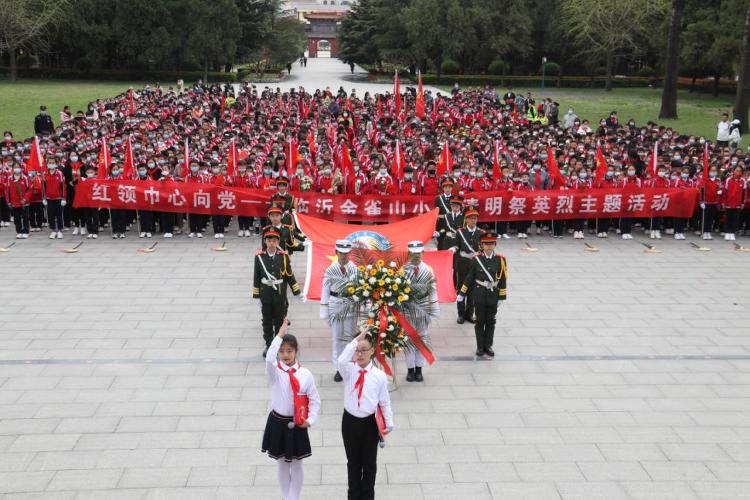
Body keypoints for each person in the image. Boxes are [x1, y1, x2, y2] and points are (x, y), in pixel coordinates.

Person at [262, 318, 321, 500]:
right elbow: (269, 357)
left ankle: (294, 497)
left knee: (297, 463)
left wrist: (310, 420)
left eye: (289, 351)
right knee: (281, 464)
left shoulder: (305, 374)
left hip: (297, 423)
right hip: (278, 422)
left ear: (296, 352)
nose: (285, 355)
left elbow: (315, 399)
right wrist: (279, 335)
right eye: (282, 351)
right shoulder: (275, 372)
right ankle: (285, 496)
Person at [337, 328, 394, 500]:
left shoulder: (379, 376)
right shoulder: (348, 370)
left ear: (372, 351)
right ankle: (353, 496)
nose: (360, 354)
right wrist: (356, 341)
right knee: (353, 463)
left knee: (369, 464)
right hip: (349, 422)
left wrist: (389, 422)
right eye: (357, 351)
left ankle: (368, 496)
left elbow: (384, 401)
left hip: (370, 424)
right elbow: (341, 360)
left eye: (364, 350)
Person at [457, 232, 508, 358]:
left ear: (495, 244)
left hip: (493, 295)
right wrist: (462, 293)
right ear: (482, 245)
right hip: (479, 294)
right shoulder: (476, 259)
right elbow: (469, 277)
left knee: (491, 322)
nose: (489, 246)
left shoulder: (500, 259)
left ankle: (488, 345)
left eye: (491, 244)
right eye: (486, 244)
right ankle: (480, 346)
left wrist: (502, 296)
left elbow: (502, 279)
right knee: (479, 322)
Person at [253, 229, 301, 357]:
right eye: (269, 240)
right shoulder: (259, 257)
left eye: (274, 240)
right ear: (265, 241)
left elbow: (289, 275)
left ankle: (278, 344)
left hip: (279, 295)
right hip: (266, 295)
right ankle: (269, 345)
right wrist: (256, 296)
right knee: (267, 322)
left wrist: (296, 291)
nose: (271, 243)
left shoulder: (283, 256)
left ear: (278, 241)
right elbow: (256, 277)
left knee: (279, 322)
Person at [321, 240, 359, 382]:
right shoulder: (330, 269)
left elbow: (361, 290)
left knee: (349, 339)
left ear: (350, 253)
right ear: (336, 253)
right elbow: (325, 290)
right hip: (335, 305)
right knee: (337, 339)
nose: (343, 256)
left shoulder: (355, 269)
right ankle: (338, 368)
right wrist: (324, 310)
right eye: (341, 253)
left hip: (351, 306)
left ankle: (348, 366)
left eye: (346, 253)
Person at [402, 241, 439, 382]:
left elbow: (433, 291)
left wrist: (433, 310)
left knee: (421, 339)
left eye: (418, 253)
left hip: (423, 308)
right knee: (409, 340)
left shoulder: (428, 270)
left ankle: (419, 369)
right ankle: (410, 369)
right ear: (409, 254)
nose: (416, 256)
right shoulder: (403, 270)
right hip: (408, 308)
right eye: (413, 253)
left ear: (422, 253)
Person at [451, 209, 484, 324]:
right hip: (462, 264)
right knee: (461, 289)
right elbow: (457, 245)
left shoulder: (481, 233)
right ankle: (461, 314)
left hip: (475, 265)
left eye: (475, 218)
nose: (473, 220)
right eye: (470, 218)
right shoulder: (460, 232)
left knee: (472, 290)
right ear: (466, 219)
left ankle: (470, 314)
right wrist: (453, 249)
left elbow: (483, 250)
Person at [42, 158, 67, 239]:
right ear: (47, 164)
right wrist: (44, 198)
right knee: (50, 215)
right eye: (49, 162)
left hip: (58, 198)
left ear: (56, 164)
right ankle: (53, 230)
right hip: (49, 198)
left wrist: (64, 198)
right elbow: (43, 187)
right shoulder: (44, 174)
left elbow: (63, 186)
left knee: (59, 215)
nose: (51, 164)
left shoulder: (60, 174)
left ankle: (59, 230)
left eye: (53, 162)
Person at [4, 162, 30, 238]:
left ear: (21, 168)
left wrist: (25, 198)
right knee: (16, 218)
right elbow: (7, 191)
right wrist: (8, 201)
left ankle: (25, 231)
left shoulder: (25, 178)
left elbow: (29, 190)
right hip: (14, 202)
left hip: (24, 202)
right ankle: (19, 231)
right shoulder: (10, 179)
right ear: (12, 169)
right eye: (15, 167)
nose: (16, 169)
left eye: (18, 167)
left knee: (25, 217)